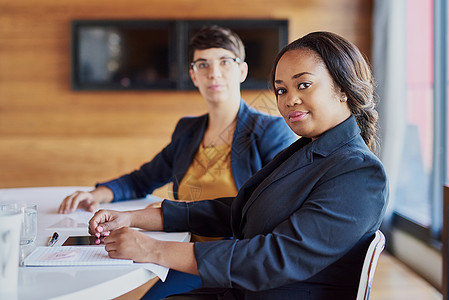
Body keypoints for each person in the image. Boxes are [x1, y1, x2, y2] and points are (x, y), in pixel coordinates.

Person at [87, 31, 389, 299]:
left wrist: (153, 249)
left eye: (304, 85)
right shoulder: (309, 149)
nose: (289, 100)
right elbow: (238, 210)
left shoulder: (359, 172)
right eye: (281, 90)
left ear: (343, 89)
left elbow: (276, 258)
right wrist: (136, 217)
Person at [58, 25, 296, 299]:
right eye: (203, 64)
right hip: (180, 249)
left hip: (229, 260)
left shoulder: (270, 131)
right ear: (194, 75)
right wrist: (94, 194)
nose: (214, 73)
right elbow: (142, 179)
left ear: (241, 71)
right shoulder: (187, 131)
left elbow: (270, 212)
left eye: (224, 62)